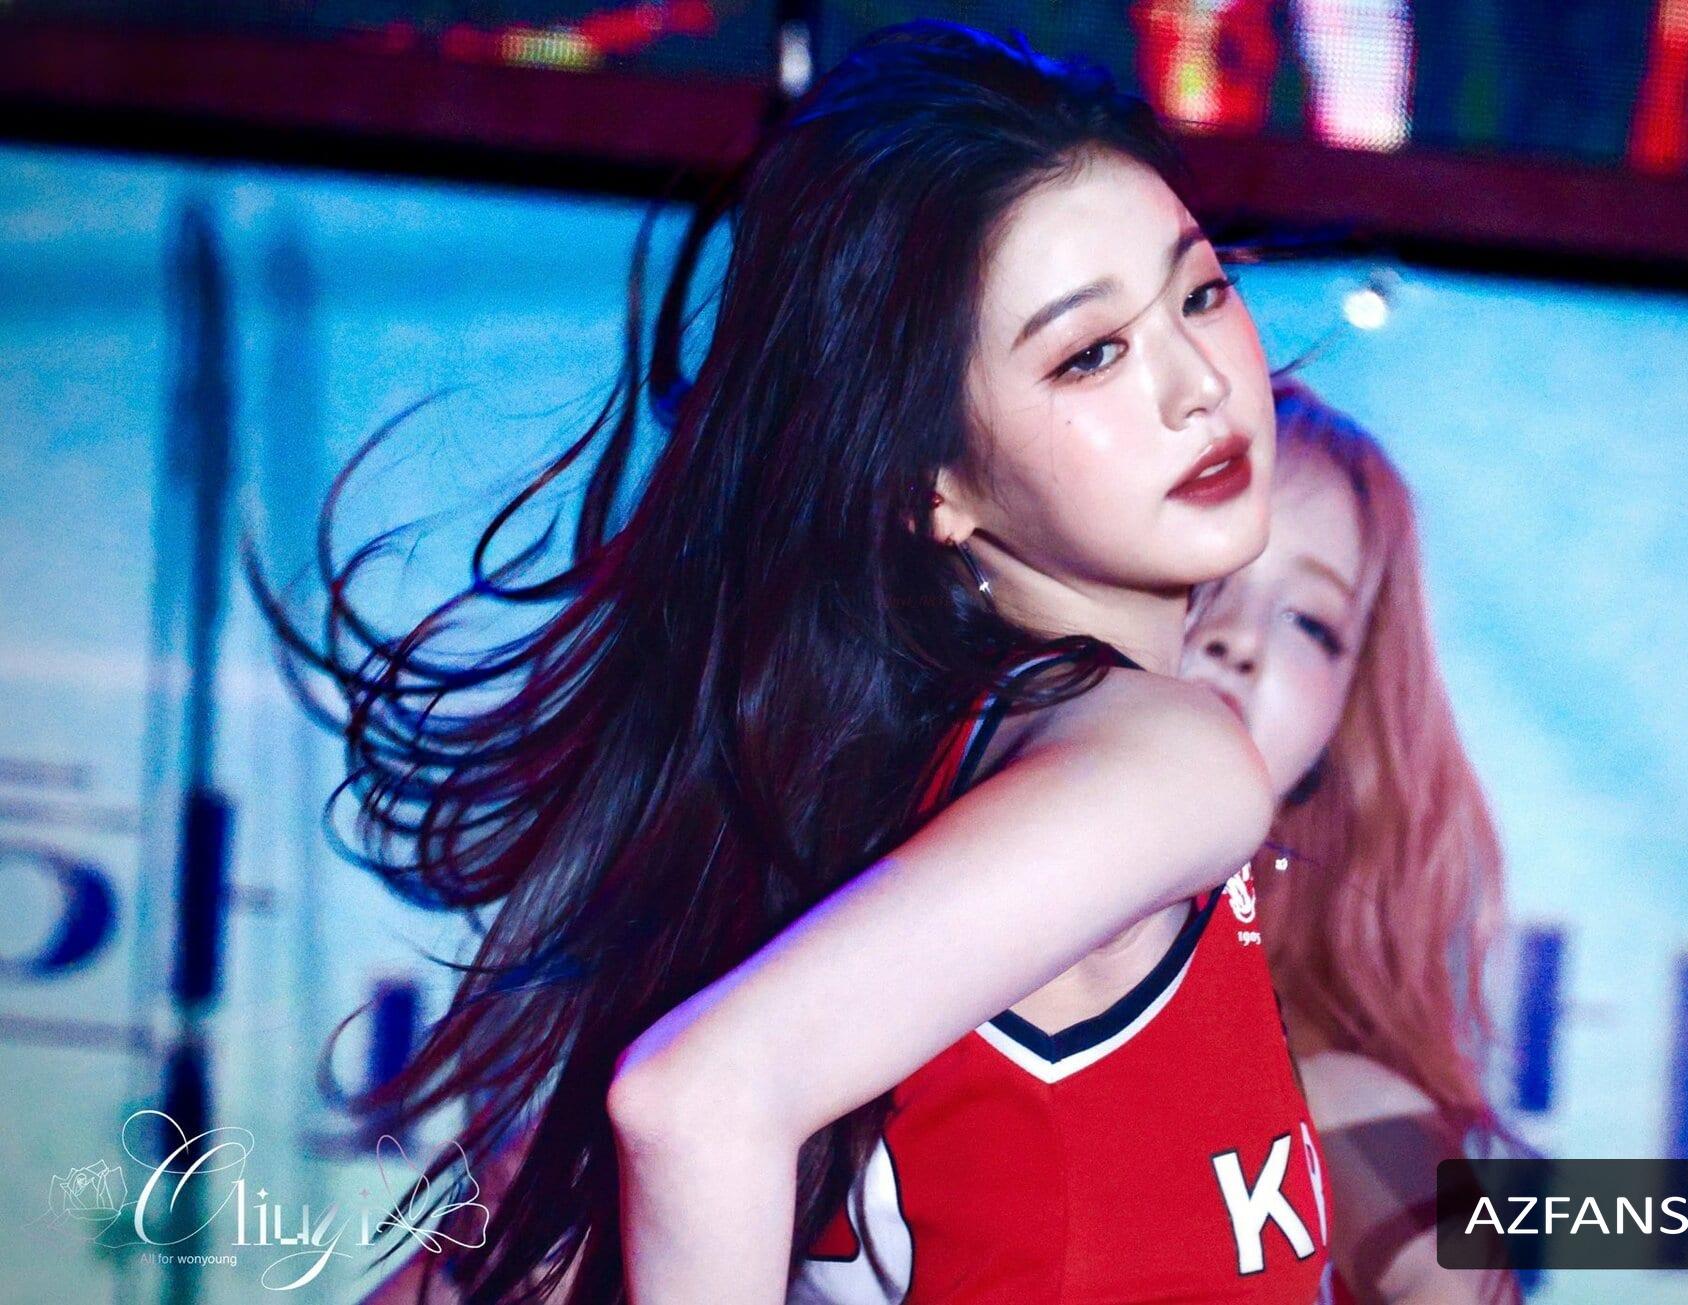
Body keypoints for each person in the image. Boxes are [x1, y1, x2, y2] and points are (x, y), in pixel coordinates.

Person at [283, 20, 1339, 1304]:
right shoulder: (1169, 763)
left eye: (1202, 292)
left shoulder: (865, 794)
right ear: (933, 482)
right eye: (1089, 354)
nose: (1197, 387)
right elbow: (695, 1100)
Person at [1182, 377, 1522, 1305]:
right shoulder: (880, 909)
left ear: (1339, 724)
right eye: (1203, 570)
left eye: (1312, 622)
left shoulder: (1334, 1106)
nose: (1240, 639)